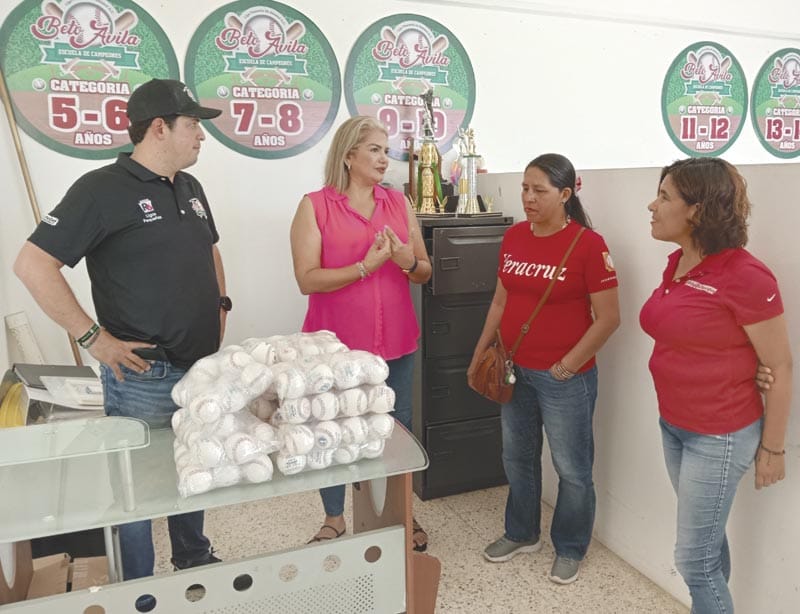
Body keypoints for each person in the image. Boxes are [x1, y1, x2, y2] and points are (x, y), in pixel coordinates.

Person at [13, 79, 230, 580]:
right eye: (193, 125)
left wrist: (221, 305)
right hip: (142, 376)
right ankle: (138, 587)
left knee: (192, 469)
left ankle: (193, 557)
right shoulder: (100, 191)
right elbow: (32, 264)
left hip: (199, 368)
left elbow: (210, 249)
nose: (201, 135)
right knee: (136, 492)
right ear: (159, 128)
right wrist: (94, 338)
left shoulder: (189, 187)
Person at [639, 158, 792, 613]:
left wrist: (773, 449)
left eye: (664, 197)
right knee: (707, 547)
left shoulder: (746, 276)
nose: (652, 206)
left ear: (697, 209)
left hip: (719, 435)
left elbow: (780, 365)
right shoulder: (678, 262)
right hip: (674, 425)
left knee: (693, 560)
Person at [467, 153, 620, 584]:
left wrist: (567, 367)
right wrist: (480, 351)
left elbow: (609, 318)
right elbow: (501, 301)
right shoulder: (515, 236)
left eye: (539, 190)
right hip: (514, 369)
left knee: (572, 468)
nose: (528, 198)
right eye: (524, 188)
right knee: (517, 457)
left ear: (566, 194)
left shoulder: (589, 245)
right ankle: (522, 533)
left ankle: (570, 547)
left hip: (564, 379)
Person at [290, 115, 432, 551]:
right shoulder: (315, 206)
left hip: (396, 342)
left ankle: (400, 512)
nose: (384, 159)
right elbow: (307, 279)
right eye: (374, 149)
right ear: (349, 155)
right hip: (335, 349)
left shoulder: (399, 204)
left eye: (385, 150)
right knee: (331, 428)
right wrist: (365, 267)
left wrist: (407, 261)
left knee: (398, 427)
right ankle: (334, 518)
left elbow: (423, 272)